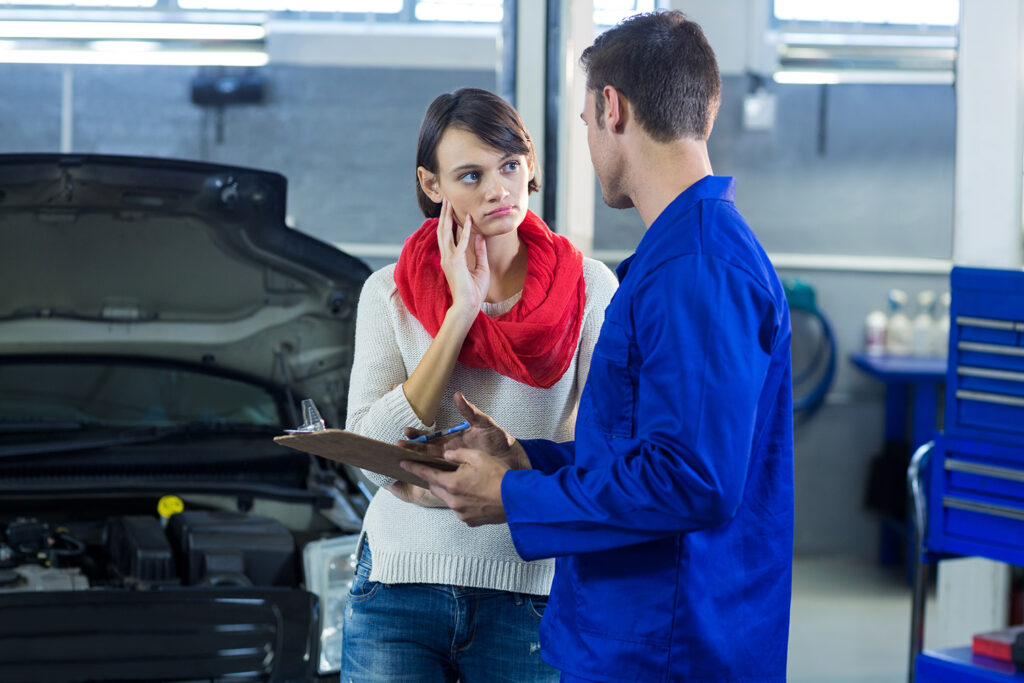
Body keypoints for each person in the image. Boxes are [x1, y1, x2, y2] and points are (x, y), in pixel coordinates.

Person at [402, 11, 794, 683]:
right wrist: (529, 458)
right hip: (641, 635)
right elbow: (645, 450)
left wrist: (515, 495)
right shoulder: (676, 255)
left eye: (584, 122)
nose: (587, 138)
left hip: (667, 648)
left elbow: (690, 478)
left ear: (611, 107)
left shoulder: (695, 268)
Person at [341, 87, 619, 682]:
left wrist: (515, 472)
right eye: (470, 175)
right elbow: (370, 455)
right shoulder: (388, 292)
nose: (498, 190)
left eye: (511, 166)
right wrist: (460, 313)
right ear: (432, 184)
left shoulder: (589, 290)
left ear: (531, 167)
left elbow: (595, 455)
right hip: (398, 585)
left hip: (528, 594)